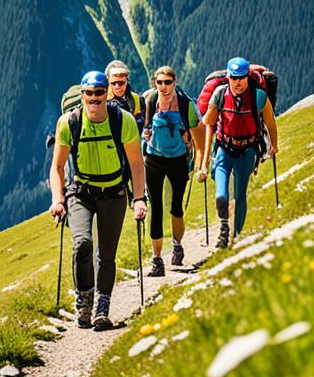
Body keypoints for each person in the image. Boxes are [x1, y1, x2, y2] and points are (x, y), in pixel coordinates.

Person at [49, 71, 147, 331]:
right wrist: (58, 199)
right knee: (82, 244)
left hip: (114, 192)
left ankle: (102, 307)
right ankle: (85, 300)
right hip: (81, 192)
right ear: (82, 95)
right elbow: (57, 167)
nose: (94, 98)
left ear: (107, 94)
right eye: (89, 94)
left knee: (107, 255)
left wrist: (139, 198)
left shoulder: (122, 120)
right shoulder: (69, 122)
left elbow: (137, 164)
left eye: (99, 93)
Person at [197, 57, 278, 248]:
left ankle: (236, 238)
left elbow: (270, 122)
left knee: (240, 195)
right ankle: (224, 227)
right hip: (224, 149)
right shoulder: (219, 94)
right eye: (234, 78)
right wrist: (204, 163)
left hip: (248, 151)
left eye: (242, 77)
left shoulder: (258, 96)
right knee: (221, 196)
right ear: (228, 77)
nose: (238, 82)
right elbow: (209, 125)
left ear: (248, 77)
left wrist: (274, 145)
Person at [141, 66, 205, 275]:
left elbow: (200, 141)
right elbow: (145, 128)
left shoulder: (186, 105)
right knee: (156, 208)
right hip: (154, 160)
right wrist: (146, 135)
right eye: (159, 82)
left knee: (176, 207)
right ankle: (157, 260)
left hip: (178, 161)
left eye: (168, 82)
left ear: (175, 82)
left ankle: (177, 245)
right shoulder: (150, 101)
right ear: (155, 83)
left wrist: (200, 165)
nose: (163, 87)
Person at [106, 60, 144, 129]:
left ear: (127, 80)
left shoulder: (138, 100)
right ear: (108, 81)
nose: (117, 86)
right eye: (113, 83)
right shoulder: (101, 101)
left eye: (121, 83)